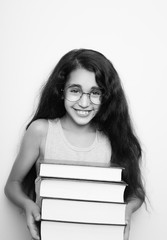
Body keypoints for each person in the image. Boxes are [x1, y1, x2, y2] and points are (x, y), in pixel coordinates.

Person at [5, 49, 145, 240]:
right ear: (61, 91)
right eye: (75, 91)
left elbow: (136, 191)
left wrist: (126, 212)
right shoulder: (40, 131)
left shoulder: (113, 138)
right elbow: (12, 184)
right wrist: (27, 204)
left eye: (95, 92)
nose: (84, 102)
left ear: (106, 96)